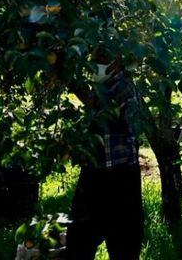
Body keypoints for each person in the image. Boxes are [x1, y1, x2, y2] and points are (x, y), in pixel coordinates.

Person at [66, 49, 144, 260]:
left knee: (123, 243)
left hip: (120, 177)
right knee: (79, 240)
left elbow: (98, 103)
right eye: (93, 59)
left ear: (116, 62)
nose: (95, 64)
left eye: (101, 59)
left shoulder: (124, 87)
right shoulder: (103, 86)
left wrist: (67, 76)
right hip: (95, 173)